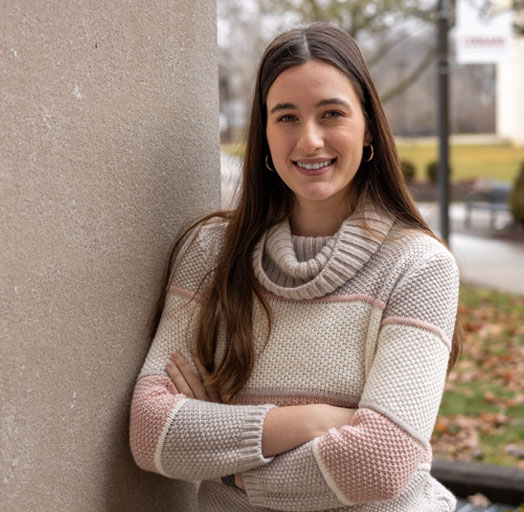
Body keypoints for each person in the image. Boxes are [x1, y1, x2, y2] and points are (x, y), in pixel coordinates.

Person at [129, 23, 462, 511]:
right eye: (286, 117)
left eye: (331, 113)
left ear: (367, 126)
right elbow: (151, 432)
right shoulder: (210, 253)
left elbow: (380, 461)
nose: (309, 140)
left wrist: (226, 461)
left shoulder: (419, 267)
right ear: (263, 135)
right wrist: (314, 420)